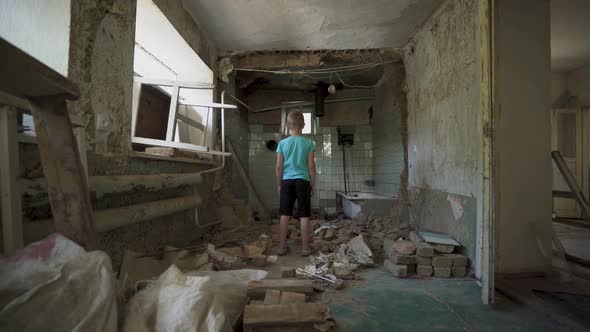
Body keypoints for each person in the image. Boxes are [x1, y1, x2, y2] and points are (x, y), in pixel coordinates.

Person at [276, 111, 316, 256]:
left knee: (284, 215)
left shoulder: (282, 143)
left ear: (287, 126)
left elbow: (279, 166)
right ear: (304, 126)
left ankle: (281, 248)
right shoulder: (308, 143)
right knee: (304, 215)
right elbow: (311, 166)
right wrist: (313, 183)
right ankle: (305, 248)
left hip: (287, 181)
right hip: (303, 181)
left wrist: (279, 184)